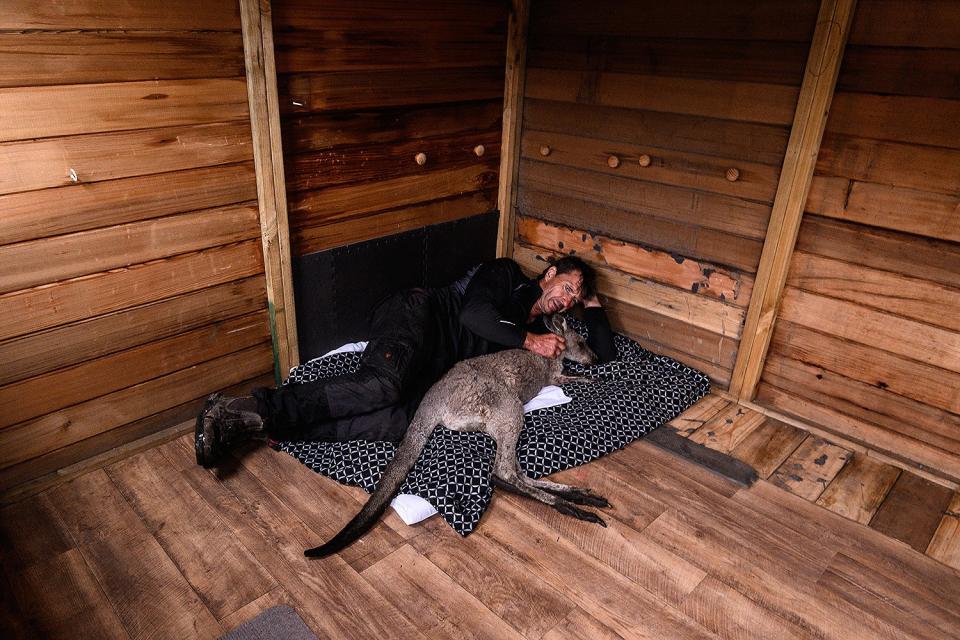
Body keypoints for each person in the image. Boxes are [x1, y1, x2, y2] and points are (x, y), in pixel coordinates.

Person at [195, 256, 616, 467]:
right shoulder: (506, 275)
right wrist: (529, 340)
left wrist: (592, 298)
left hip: (437, 364)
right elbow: (473, 316)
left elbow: (605, 352)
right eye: (568, 286)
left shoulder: (552, 324)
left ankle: (263, 426)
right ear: (550, 272)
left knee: (402, 422)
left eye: (574, 298)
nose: (568, 298)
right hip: (417, 315)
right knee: (384, 385)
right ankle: (239, 407)